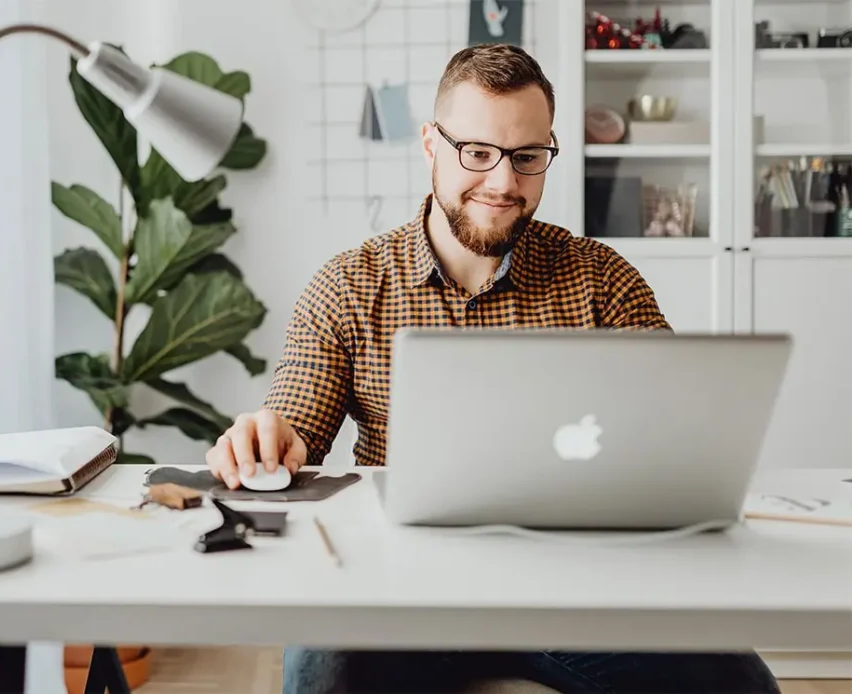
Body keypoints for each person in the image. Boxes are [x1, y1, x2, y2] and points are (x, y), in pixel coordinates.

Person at [205, 43, 781, 694]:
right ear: (431, 145)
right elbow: (294, 422)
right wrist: (268, 439)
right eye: (477, 153)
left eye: (527, 157)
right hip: (401, 588)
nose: (504, 182)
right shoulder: (348, 285)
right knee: (324, 678)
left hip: (581, 586)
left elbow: (677, 432)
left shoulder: (602, 280)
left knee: (741, 686)